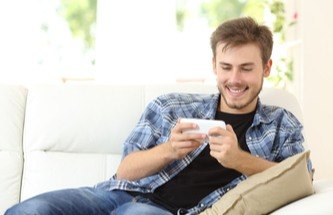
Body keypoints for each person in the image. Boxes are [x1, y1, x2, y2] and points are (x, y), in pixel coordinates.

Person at [5, 16, 311, 215]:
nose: (235, 79)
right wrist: (170, 150)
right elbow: (125, 171)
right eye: (226, 67)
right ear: (214, 66)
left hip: (171, 211)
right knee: (29, 211)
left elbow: (302, 179)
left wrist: (239, 159)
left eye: (246, 68)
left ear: (266, 69)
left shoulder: (281, 124)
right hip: (118, 195)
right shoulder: (170, 106)